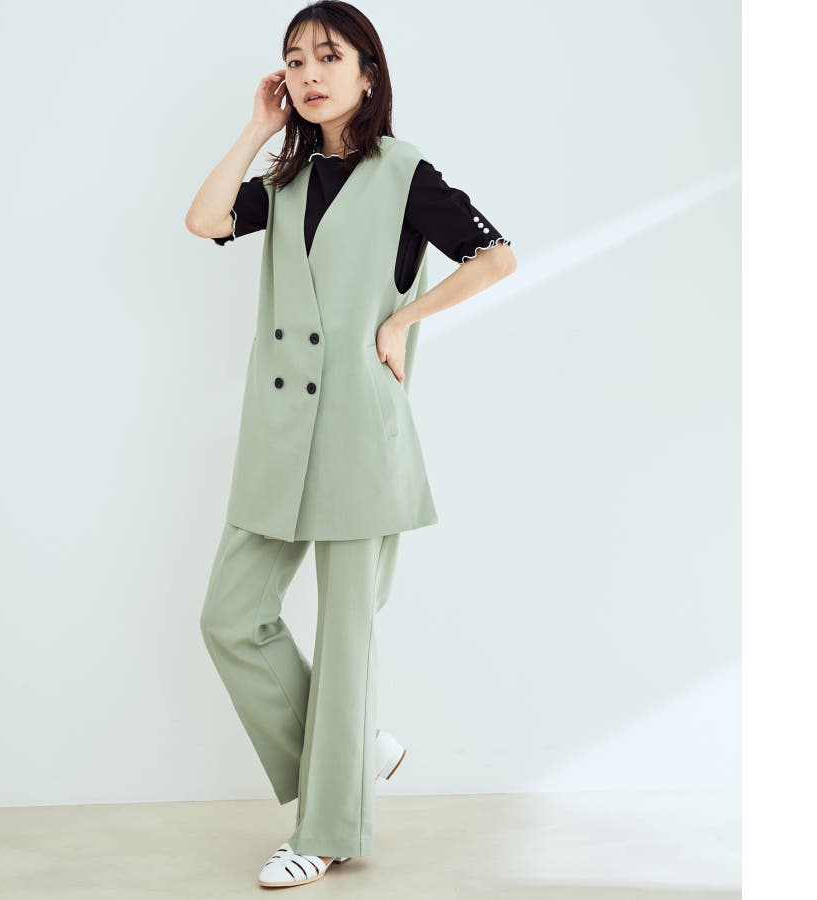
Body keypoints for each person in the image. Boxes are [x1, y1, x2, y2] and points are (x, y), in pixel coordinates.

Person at [185, 0, 516, 888]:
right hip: (278, 435)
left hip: (359, 434)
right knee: (230, 617)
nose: (309, 73)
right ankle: (356, 746)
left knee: (344, 640)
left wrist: (403, 320)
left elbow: (495, 256)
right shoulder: (285, 180)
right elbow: (205, 221)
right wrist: (256, 129)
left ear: (369, 74)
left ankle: (328, 830)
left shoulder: (405, 173)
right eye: (294, 59)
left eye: (329, 56)